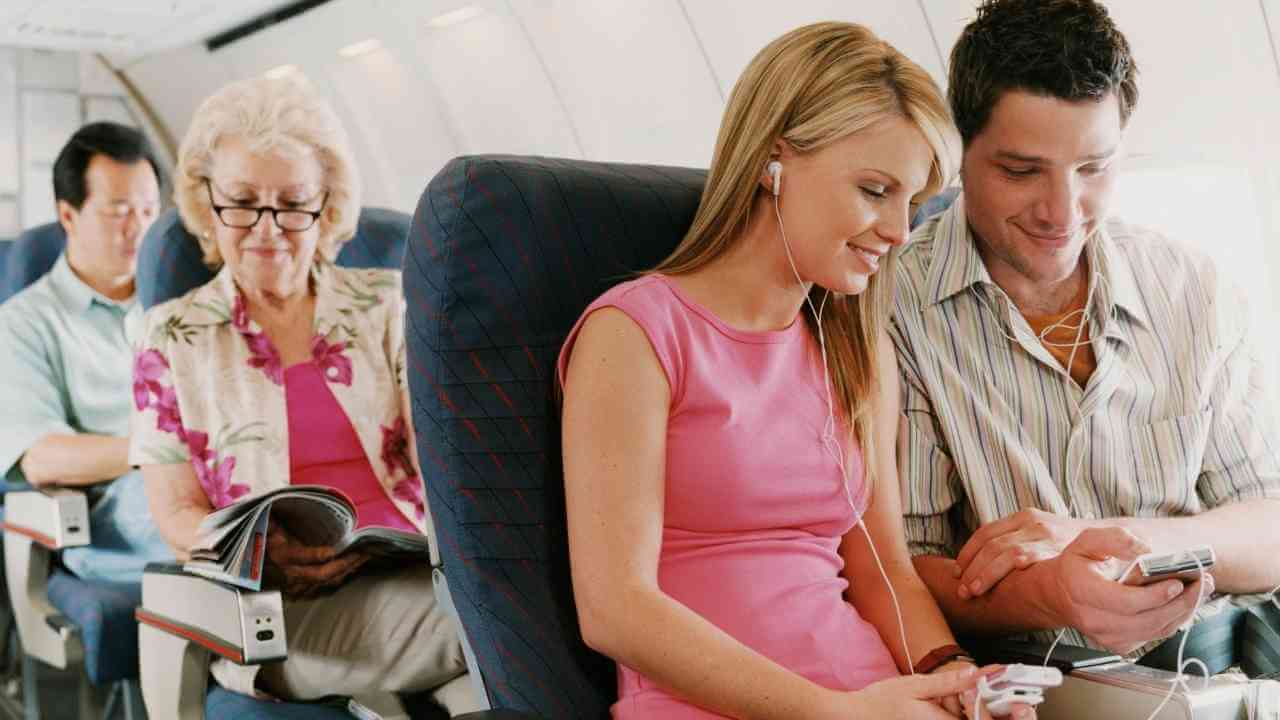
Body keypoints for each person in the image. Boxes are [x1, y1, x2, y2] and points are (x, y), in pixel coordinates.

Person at [559, 22, 1036, 720]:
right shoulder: (634, 334)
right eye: (876, 190)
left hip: (871, 698)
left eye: (915, 201)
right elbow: (615, 610)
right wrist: (837, 713)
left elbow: (882, 573)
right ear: (771, 160)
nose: (901, 231)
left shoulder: (857, 351)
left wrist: (957, 681)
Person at [891, 0, 1280, 668]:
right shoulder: (895, 307)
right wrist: (1050, 595)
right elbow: (899, 567)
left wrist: (1119, 541)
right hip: (1039, 683)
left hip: (1224, 668)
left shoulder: (1191, 287)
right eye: (1022, 171)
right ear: (959, 155)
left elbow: (1270, 525)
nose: (1062, 212)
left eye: (1094, 168)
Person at [129, 76, 475, 711]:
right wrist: (260, 550)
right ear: (208, 206)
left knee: (481, 690)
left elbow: (439, 462)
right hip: (275, 609)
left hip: (411, 572)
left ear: (328, 206)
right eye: (242, 202)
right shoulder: (171, 335)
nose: (269, 230)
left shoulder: (385, 304)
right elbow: (176, 512)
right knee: (495, 628)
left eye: (293, 204)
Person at [0, 121, 172, 583]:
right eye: (118, 211)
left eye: (149, 211)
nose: (138, 229)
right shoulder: (23, 324)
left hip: (189, 483)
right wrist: (159, 449)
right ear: (69, 215)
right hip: (107, 517)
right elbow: (41, 459)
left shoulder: (176, 308)